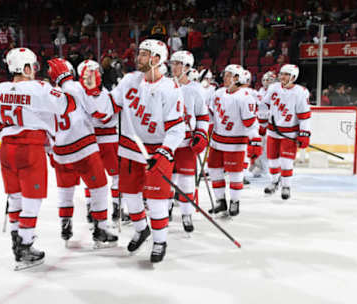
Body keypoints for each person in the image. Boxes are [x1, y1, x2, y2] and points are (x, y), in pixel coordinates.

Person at [82, 39, 185, 263]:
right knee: (130, 196)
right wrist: (94, 91)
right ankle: (141, 229)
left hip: (158, 151)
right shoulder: (129, 81)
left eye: (144, 54)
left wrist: (165, 151)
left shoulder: (170, 88)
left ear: (157, 59)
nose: (138, 58)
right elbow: (108, 108)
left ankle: (159, 241)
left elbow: (177, 128)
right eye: (139, 53)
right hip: (130, 148)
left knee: (156, 200)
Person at [0, 48, 76, 270]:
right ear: (25, 68)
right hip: (30, 148)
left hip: (6, 149)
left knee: (15, 198)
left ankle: (16, 239)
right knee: (32, 199)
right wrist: (65, 80)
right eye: (32, 66)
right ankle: (25, 244)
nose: (34, 70)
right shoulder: (40, 88)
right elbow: (69, 105)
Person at [47, 59, 118, 248]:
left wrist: (50, 151)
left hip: (60, 150)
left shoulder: (45, 93)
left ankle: (65, 223)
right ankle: (101, 227)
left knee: (65, 189)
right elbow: (99, 113)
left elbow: (43, 127)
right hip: (84, 145)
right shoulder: (76, 88)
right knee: (100, 186)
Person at [76, 60, 129, 226]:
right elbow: (104, 116)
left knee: (92, 178)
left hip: (88, 142)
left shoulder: (77, 94)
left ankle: (91, 210)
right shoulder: (102, 94)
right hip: (107, 141)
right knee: (117, 176)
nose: (96, 75)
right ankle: (117, 210)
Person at [208, 64, 260, 217]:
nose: (225, 77)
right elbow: (211, 114)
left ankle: (235, 202)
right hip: (217, 140)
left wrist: (255, 140)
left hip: (235, 143)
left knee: (235, 174)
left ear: (237, 78)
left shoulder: (245, 97)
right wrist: (205, 130)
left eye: (229, 75)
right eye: (225, 74)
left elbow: (250, 123)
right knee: (214, 170)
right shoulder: (217, 94)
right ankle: (220, 201)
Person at [168, 50, 209, 232]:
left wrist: (201, 134)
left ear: (187, 67)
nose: (174, 67)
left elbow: (202, 115)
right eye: (173, 63)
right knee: (167, 178)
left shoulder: (195, 89)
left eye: (178, 64)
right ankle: (166, 209)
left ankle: (186, 214)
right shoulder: (165, 85)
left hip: (186, 142)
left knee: (185, 180)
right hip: (167, 140)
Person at [259, 64, 311, 200]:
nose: (283, 77)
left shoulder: (300, 92)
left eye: (286, 74)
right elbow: (264, 106)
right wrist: (262, 123)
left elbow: (304, 115)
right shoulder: (273, 88)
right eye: (282, 74)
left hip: (290, 133)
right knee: (272, 160)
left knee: (286, 161)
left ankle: (286, 185)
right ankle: (274, 181)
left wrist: (304, 133)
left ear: (293, 77)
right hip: (272, 131)